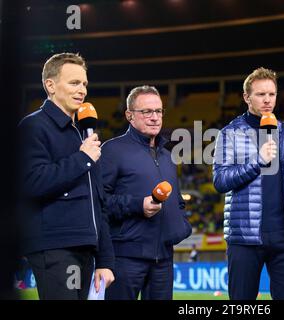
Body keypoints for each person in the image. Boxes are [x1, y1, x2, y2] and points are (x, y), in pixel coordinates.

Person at [18, 53, 115, 299]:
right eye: (74, 83)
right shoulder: (33, 126)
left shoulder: (85, 134)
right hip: (55, 246)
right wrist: (82, 158)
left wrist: (105, 259)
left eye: (84, 84)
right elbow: (32, 182)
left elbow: (98, 201)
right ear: (50, 85)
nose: (82, 90)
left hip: (85, 247)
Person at [213, 67, 284, 300]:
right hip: (245, 237)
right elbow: (220, 181)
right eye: (261, 94)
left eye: (272, 94)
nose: (267, 100)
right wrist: (258, 161)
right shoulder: (230, 134)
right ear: (247, 97)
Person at [100, 85, 192, 300]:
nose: (155, 117)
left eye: (159, 111)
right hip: (125, 258)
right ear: (129, 116)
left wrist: (182, 228)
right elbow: (99, 201)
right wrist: (137, 205)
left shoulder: (168, 156)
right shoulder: (112, 150)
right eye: (147, 112)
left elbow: (177, 202)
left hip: (163, 259)